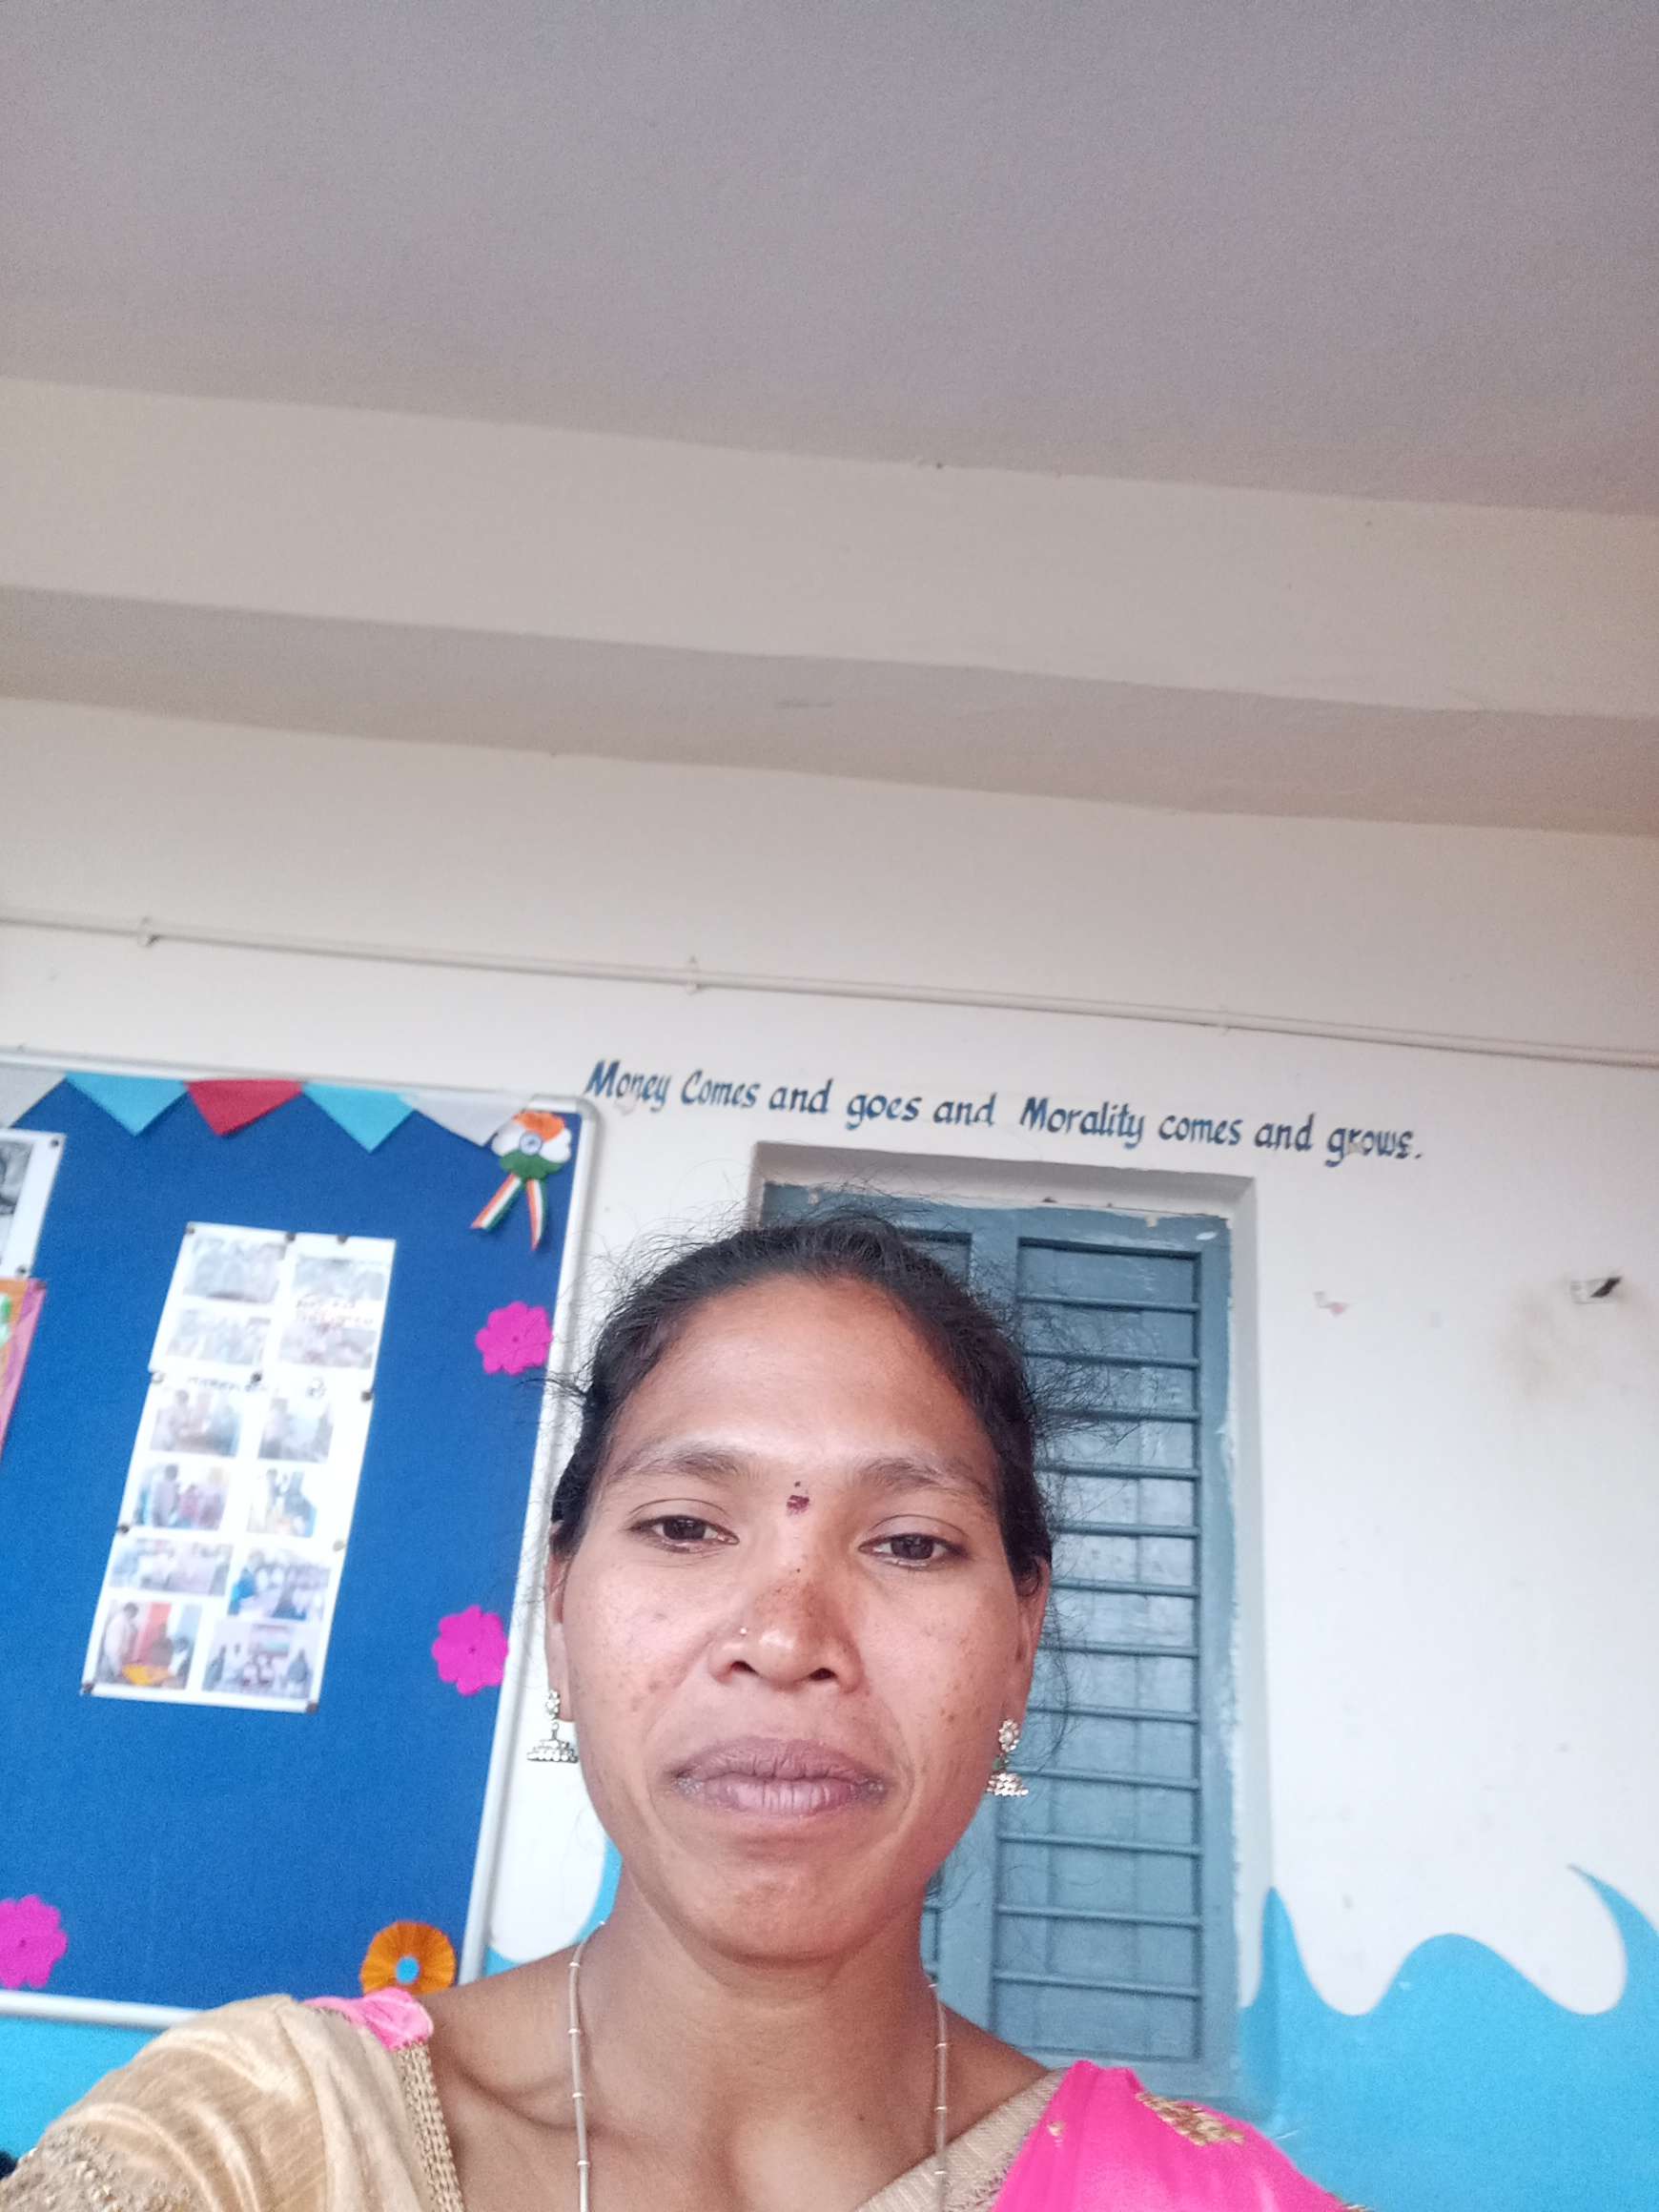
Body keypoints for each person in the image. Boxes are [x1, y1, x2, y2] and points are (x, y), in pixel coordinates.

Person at [6, 1217, 1350, 2210]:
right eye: (686, 1525)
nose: (787, 1640)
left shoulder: (1204, 2195)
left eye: (912, 1543)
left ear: (1020, 1644)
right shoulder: (251, 2146)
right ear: (560, 1607)